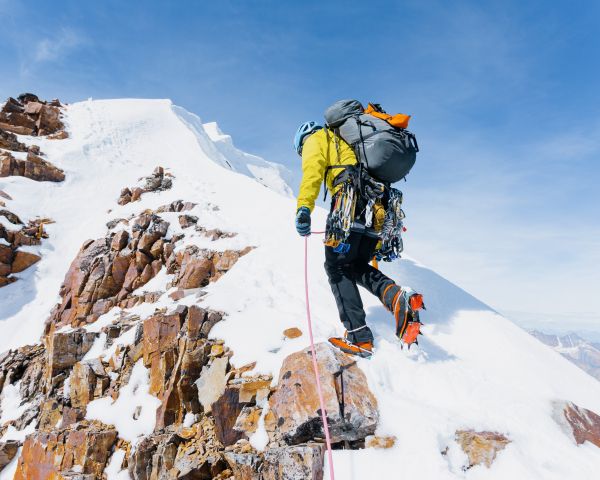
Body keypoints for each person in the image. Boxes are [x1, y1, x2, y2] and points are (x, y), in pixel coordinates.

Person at [294, 120, 423, 358]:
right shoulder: (348, 140)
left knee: (337, 267)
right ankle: (396, 296)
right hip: (377, 207)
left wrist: (304, 208)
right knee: (354, 264)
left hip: (349, 202)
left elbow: (312, 171)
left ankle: (359, 337)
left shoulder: (316, 138)